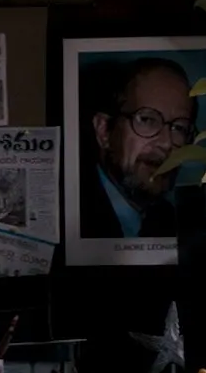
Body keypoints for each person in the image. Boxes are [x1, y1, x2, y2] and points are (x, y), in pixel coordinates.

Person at [80, 57, 199, 239]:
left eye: (179, 128)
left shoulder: (173, 221)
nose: (166, 143)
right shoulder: (68, 216)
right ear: (104, 131)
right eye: (147, 120)